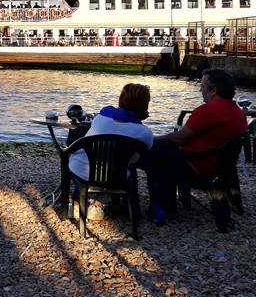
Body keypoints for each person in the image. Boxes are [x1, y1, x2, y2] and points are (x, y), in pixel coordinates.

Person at [142, 68, 247, 226]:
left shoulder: (208, 112)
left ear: (213, 90)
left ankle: (159, 207)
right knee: (163, 153)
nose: (201, 90)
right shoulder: (238, 113)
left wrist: (150, 139)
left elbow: (179, 138)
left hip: (197, 166)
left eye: (203, 87)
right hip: (221, 166)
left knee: (153, 155)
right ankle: (167, 204)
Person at [68, 83, 154, 182]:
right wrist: (138, 118)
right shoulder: (144, 133)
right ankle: (132, 196)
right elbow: (138, 158)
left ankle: (78, 194)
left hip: (80, 169)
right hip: (116, 177)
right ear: (145, 106)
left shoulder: (102, 115)